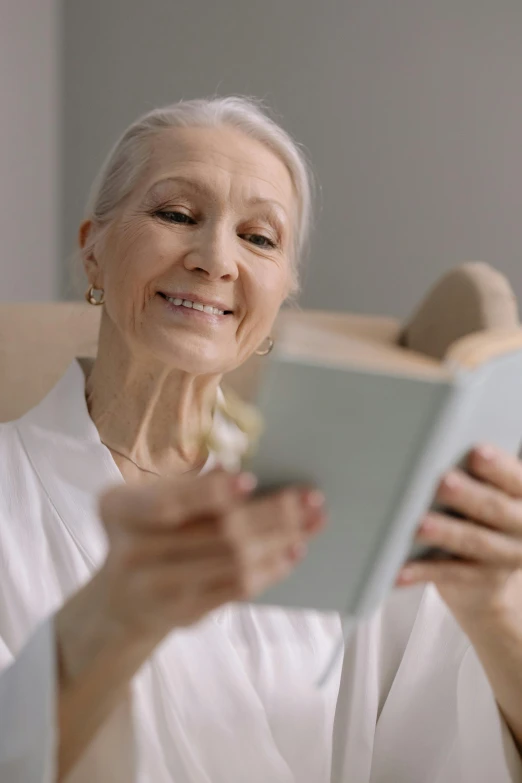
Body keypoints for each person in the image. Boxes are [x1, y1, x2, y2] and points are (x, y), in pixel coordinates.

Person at [0, 97, 522, 783]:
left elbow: (451, 753)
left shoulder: (341, 509)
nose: (216, 259)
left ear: (281, 294)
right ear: (93, 251)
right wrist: (115, 618)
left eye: (259, 237)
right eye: (176, 214)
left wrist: (494, 611)